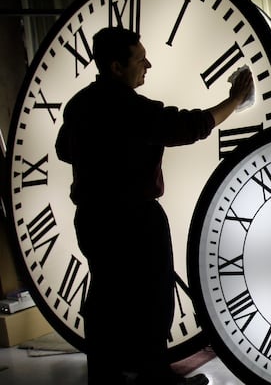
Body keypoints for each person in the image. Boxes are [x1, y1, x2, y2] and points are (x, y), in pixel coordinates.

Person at [55, 26, 253, 385]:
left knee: (105, 295)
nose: (148, 63)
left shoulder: (79, 105)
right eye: (140, 58)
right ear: (116, 66)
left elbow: (63, 150)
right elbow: (191, 126)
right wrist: (235, 100)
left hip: (92, 217)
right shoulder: (132, 109)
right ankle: (154, 377)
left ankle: (106, 373)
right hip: (136, 219)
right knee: (152, 299)